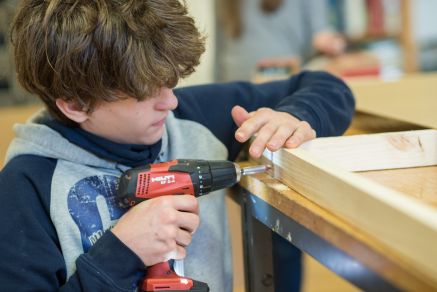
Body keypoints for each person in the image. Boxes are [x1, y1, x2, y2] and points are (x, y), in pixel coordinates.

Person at [0, 0, 354, 291]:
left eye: (169, 82)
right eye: (144, 91)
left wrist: (294, 117)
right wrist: (120, 254)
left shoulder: (192, 118)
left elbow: (327, 86)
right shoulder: (24, 189)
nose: (169, 103)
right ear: (75, 104)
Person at [216, 0, 346, 82]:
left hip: (233, 78)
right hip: (278, 76)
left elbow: (218, 48)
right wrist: (336, 44)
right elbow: (320, 37)